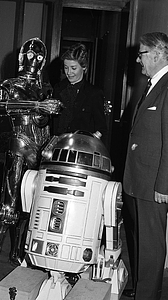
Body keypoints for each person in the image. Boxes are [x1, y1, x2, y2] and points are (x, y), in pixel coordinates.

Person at [123, 32, 168, 300]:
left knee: (151, 247)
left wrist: (163, 186)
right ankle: (140, 287)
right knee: (139, 242)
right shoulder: (153, 85)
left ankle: (147, 296)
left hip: (153, 184)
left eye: (142, 54)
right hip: (140, 179)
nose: (138, 60)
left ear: (157, 55)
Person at [0, 37, 61, 265]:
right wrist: (36, 105)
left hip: (41, 145)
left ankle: (18, 252)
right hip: (18, 143)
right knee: (9, 205)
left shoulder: (45, 87)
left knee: (32, 203)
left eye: (38, 56)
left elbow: (46, 117)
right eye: (29, 54)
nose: (32, 60)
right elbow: (1, 106)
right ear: (20, 57)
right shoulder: (9, 85)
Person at [52, 43, 108, 145]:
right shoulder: (58, 88)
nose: (68, 72)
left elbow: (102, 128)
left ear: (84, 67)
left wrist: (90, 141)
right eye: (66, 67)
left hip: (80, 148)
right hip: (58, 146)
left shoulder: (94, 93)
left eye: (73, 68)